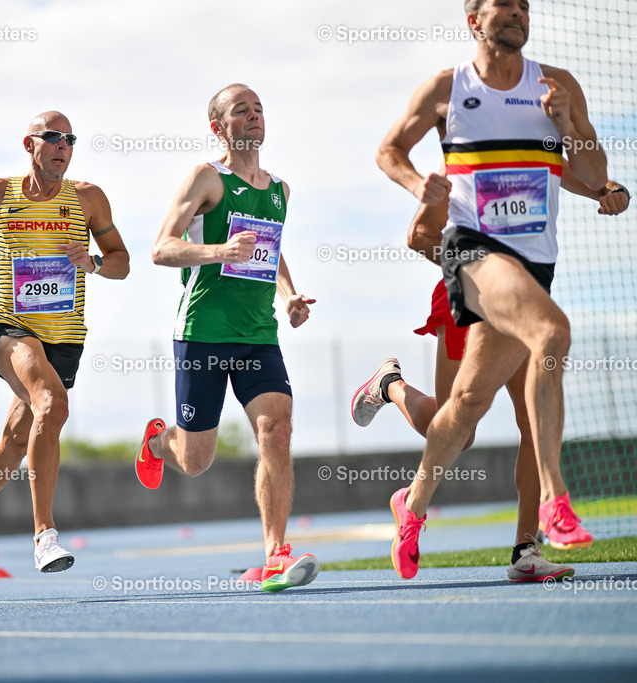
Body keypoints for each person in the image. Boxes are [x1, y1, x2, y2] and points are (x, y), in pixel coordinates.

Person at [375, 0, 618, 579]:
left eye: (522, 6)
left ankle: (412, 507)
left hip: (535, 265)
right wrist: (419, 184)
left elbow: (592, 172)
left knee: (467, 405)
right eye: (501, 6)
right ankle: (555, 504)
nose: (515, 13)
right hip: (472, 250)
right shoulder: (446, 88)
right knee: (552, 330)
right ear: (473, 20)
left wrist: (566, 127)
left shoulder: (557, 86)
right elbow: (388, 151)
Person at [352, 166, 629, 582]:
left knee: (534, 423)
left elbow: (567, 171)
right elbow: (417, 237)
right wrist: (473, 272)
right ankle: (389, 385)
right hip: (466, 299)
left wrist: (606, 190)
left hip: (524, 301)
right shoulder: (466, 161)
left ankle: (526, 549)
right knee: (458, 433)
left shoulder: (535, 145)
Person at [135, 84, 318, 593]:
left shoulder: (279, 189)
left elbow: (269, 249)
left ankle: (275, 553)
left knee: (276, 430)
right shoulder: (206, 177)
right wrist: (220, 252)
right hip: (202, 333)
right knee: (196, 461)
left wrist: (290, 295)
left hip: (259, 332)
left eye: (259, 108)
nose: (254, 116)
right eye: (242, 111)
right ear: (219, 127)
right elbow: (160, 249)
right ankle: (157, 441)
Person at [0, 111, 129, 576]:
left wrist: (93, 263)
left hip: (64, 338)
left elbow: (122, 263)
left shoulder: (87, 199)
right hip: (11, 329)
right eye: (54, 138)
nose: (64, 145)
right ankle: (45, 535)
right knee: (52, 403)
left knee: (16, 440)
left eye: (71, 139)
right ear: (30, 144)